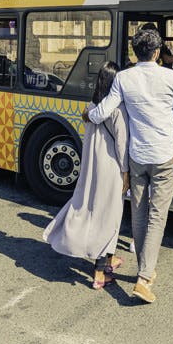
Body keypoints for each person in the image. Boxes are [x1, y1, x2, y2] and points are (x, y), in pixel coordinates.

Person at [85, 29, 173, 304]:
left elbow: (104, 110)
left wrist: (89, 114)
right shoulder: (171, 77)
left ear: (135, 53)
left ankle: (146, 269)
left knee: (139, 213)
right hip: (165, 155)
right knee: (157, 215)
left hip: (138, 156)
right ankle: (144, 277)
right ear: (157, 53)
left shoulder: (124, 77)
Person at [43, 62, 130, 290]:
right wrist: (127, 172)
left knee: (93, 210)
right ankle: (100, 272)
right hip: (112, 170)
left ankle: (109, 259)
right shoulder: (117, 110)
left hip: (93, 168)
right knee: (109, 217)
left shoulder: (91, 107)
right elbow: (122, 145)